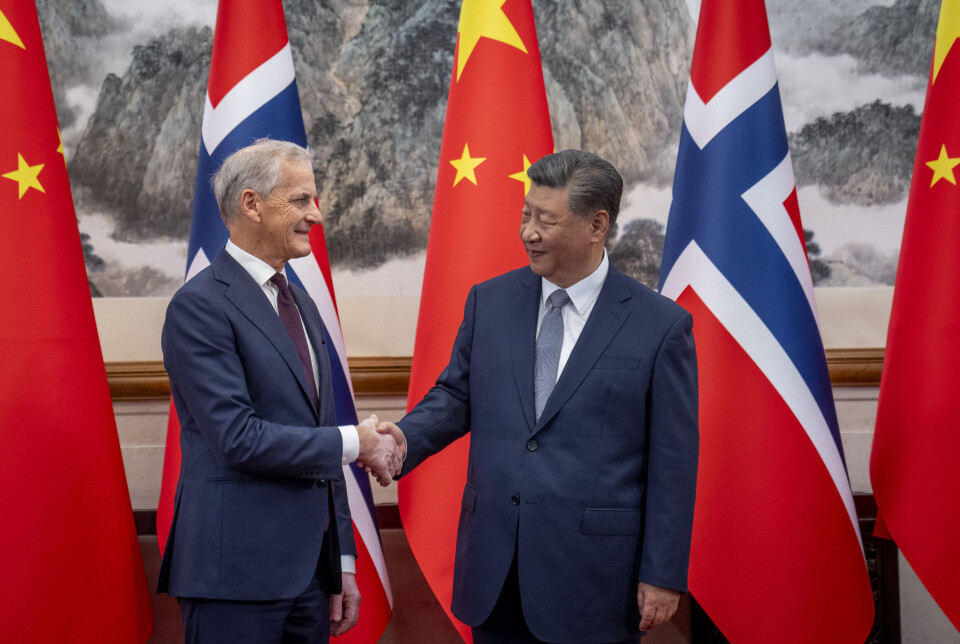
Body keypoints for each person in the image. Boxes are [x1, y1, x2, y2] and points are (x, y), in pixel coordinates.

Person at [375, 150, 699, 643]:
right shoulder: (489, 301)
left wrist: (663, 572)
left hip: (595, 582)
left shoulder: (660, 326)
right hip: (495, 573)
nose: (529, 232)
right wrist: (402, 438)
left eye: (546, 220)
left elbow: (673, 463)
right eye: (527, 214)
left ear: (596, 225)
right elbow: (456, 395)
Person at [157, 138, 402, 643]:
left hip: (311, 577)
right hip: (233, 574)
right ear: (252, 204)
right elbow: (236, 438)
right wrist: (357, 441)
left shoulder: (301, 302)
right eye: (301, 200)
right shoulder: (199, 307)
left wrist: (341, 561)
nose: (317, 214)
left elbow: (319, 436)